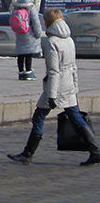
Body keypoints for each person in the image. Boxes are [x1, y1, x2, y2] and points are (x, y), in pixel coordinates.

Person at [7, 9, 100, 166]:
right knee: (76, 118)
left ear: (48, 22)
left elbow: (54, 70)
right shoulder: (69, 40)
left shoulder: (52, 42)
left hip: (57, 87)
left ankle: (28, 154)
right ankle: (95, 151)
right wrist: (75, 88)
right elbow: (73, 67)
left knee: (39, 116)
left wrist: (51, 95)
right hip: (69, 85)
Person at [11, 0, 44, 80]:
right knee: (28, 53)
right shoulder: (31, 7)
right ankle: (29, 72)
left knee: (21, 54)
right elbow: (36, 22)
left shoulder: (16, 7)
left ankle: (21, 73)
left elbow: (11, 19)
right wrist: (39, 34)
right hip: (29, 33)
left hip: (19, 33)